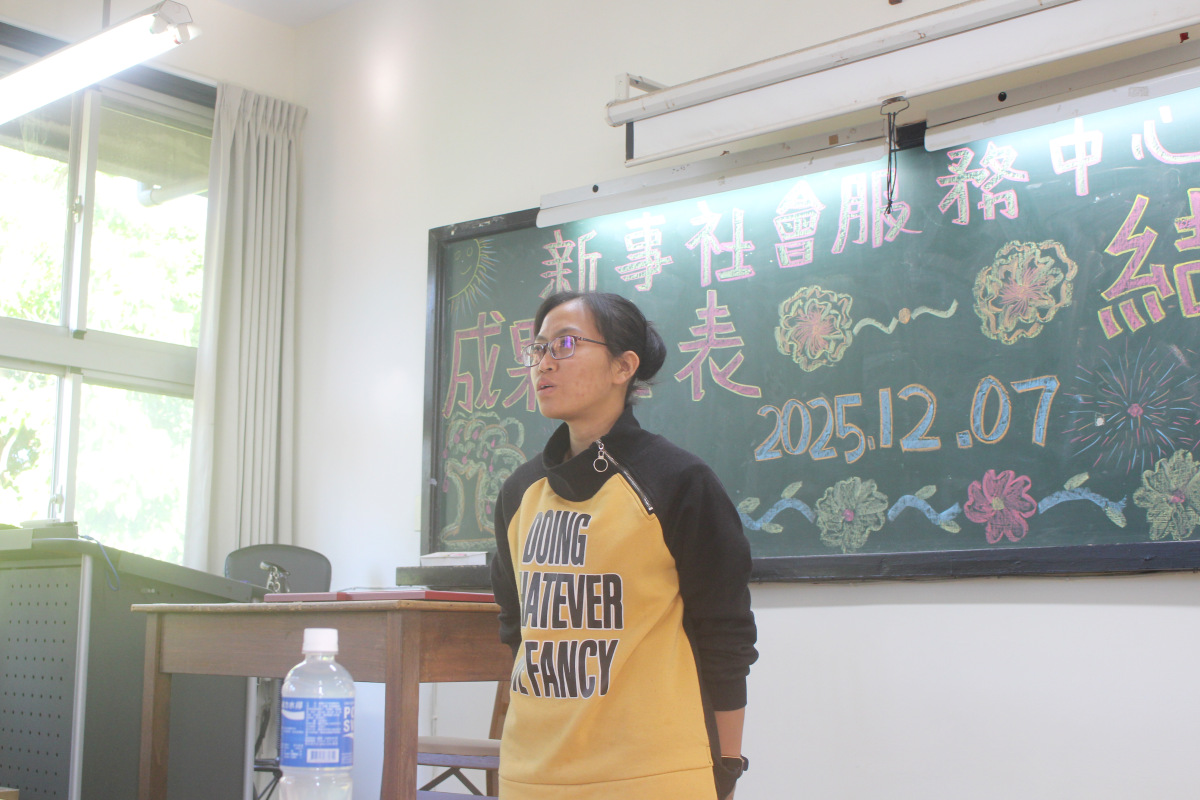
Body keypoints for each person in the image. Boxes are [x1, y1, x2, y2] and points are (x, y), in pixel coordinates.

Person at [490, 291, 758, 800]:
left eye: (565, 344)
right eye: (538, 348)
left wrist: (726, 764)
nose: (544, 362)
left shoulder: (680, 481)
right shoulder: (519, 492)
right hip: (532, 775)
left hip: (651, 774)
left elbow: (726, 635)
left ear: (623, 366)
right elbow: (516, 628)